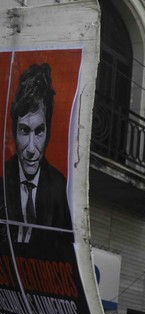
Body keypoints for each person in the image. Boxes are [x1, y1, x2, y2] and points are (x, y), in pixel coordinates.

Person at [3, 63, 72, 244]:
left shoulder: (60, 188)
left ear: (48, 131)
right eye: (24, 131)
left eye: (39, 131)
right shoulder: (2, 179)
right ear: (14, 131)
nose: (32, 150)